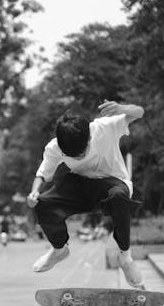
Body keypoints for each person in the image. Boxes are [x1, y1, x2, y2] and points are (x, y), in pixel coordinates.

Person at [26, 101, 144, 288]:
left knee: (119, 197)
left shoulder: (104, 127)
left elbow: (139, 112)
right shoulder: (55, 147)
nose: (79, 158)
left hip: (111, 183)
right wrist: (33, 193)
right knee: (43, 203)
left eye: (82, 153)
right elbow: (42, 174)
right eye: (73, 156)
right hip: (79, 187)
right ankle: (59, 249)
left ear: (89, 137)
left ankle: (125, 257)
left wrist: (122, 109)